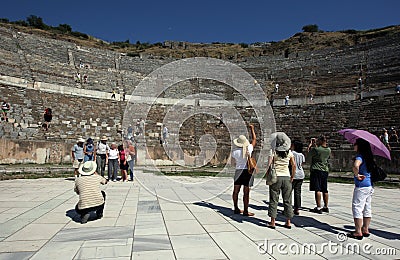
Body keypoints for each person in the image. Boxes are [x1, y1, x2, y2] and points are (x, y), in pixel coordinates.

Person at [267, 132, 296, 229]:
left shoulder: (273, 152)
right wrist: (292, 176)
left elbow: (269, 165)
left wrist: (268, 176)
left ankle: (273, 221)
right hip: (286, 177)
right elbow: (294, 165)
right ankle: (288, 221)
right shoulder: (290, 153)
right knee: (287, 200)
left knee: (274, 199)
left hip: (276, 177)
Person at [347, 138, 375, 240]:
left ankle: (358, 231)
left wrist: (357, 174)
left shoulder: (360, 156)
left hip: (361, 185)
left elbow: (356, 166)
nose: (354, 146)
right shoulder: (369, 157)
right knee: (367, 207)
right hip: (369, 185)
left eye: (355, 144)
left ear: (359, 146)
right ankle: (365, 229)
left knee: (357, 207)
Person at [231, 124, 256, 216]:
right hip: (248, 171)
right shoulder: (249, 148)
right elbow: (254, 140)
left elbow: (232, 163)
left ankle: (236, 207)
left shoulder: (235, 152)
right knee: (246, 192)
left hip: (238, 171)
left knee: (236, 191)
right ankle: (246, 210)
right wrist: (252, 129)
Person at [309, 135, 331, 214]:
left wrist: (311, 144)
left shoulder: (316, 149)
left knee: (317, 189)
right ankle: (326, 206)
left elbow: (309, 153)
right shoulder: (328, 150)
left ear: (321, 141)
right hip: (325, 170)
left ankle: (318, 207)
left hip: (316, 169)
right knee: (324, 189)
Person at [291, 140, 305, 215]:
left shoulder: (292, 153)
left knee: (289, 192)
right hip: (301, 174)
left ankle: (288, 208)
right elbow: (302, 164)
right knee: (297, 192)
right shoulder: (301, 155)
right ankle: (297, 208)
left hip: (294, 174)